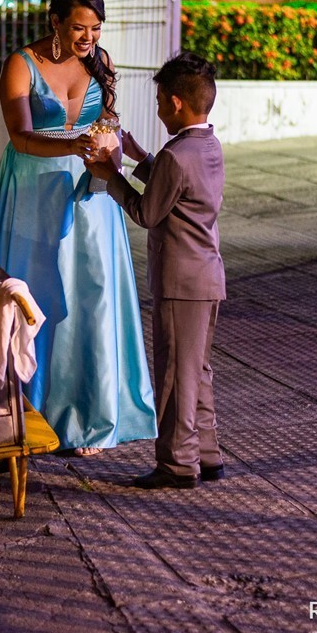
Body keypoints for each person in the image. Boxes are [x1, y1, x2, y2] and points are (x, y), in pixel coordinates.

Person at [0, 0, 157, 455]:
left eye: (96, 29)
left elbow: (109, 122)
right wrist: (71, 144)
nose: (89, 38)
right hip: (34, 189)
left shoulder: (100, 62)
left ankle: (94, 413)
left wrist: (112, 144)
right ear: (55, 22)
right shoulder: (21, 65)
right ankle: (30, 411)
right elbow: (20, 137)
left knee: (93, 293)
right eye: (79, 28)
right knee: (38, 291)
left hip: (91, 191)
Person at [84, 52, 226, 489]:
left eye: (162, 101)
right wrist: (140, 155)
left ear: (177, 103)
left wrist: (111, 175)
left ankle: (177, 464)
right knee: (197, 372)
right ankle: (207, 454)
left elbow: (147, 211)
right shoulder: (207, 146)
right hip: (207, 277)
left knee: (174, 377)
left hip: (180, 282)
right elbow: (175, 187)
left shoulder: (175, 156)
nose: (160, 108)